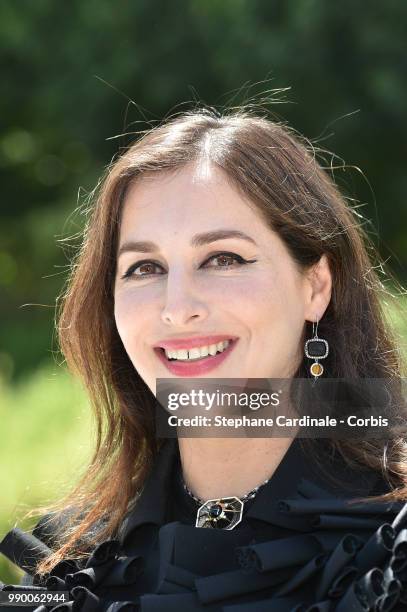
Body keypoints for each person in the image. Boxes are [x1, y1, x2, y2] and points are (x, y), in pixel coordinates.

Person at [1, 107, 406, 611]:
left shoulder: (393, 549)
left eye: (223, 259)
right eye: (145, 267)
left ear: (316, 287)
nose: (178, 309)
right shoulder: (70, 563)